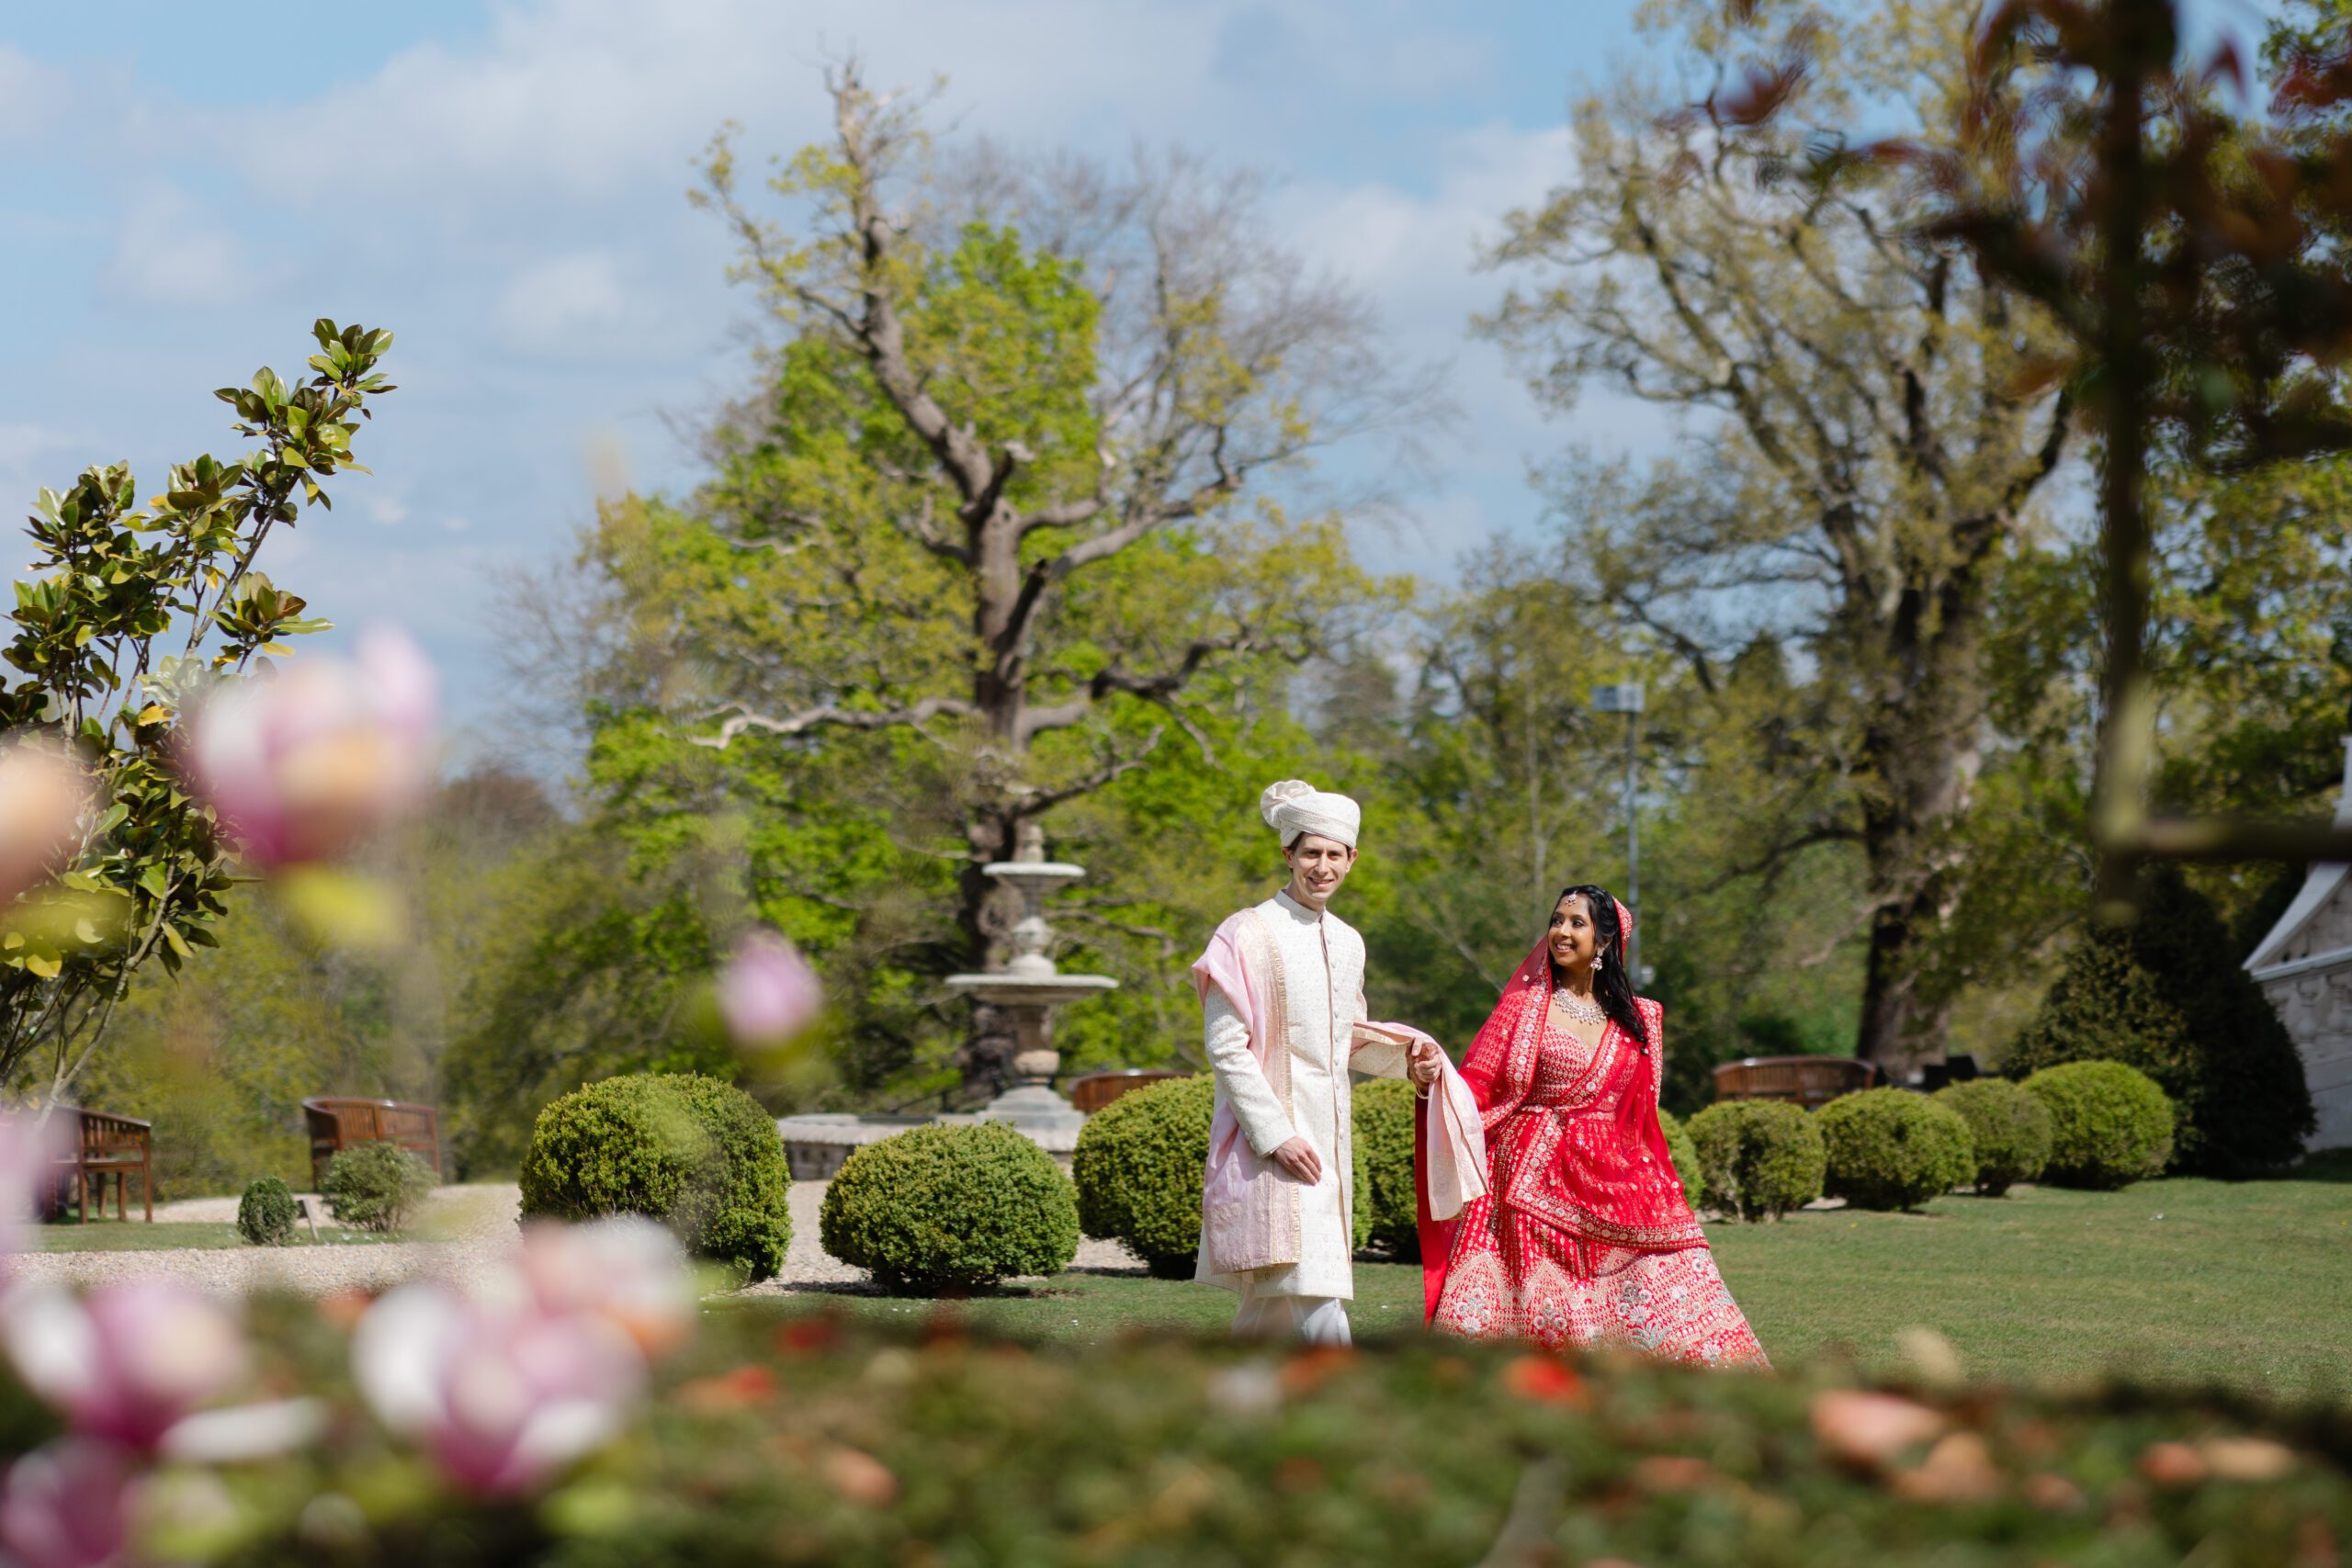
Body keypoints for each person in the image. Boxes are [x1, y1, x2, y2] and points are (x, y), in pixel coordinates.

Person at [1421, 886, 1767, 1368]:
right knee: (1541, 1304)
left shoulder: (1639, 1021)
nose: (1561, 932)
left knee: (1664, 1272)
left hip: (1612, 1173)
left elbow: (1641, 1114)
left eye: (1576, 923)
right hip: (1525, 1179)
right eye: (1557, 920)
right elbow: (1479, 1084)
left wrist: (1651, 1181)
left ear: (1605, 941)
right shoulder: (1524, 1008)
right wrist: (1433, 1079)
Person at [1191, 780, 1458, 1344]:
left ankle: (1231, 1412)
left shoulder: (1349, 941)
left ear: (1352, 859)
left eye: (1335, 854)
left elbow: (1346, 1039)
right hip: (1274, 1144)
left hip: (1330, 1144)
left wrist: (1407, 1061)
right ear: (1287, 855)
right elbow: (1225, 1047)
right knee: (1310, 1291)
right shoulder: (1246, 932)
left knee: (1282, 1303)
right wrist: (1275, 1135)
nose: (1323, 866)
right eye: (1311, 852)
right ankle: (1348, 1408)